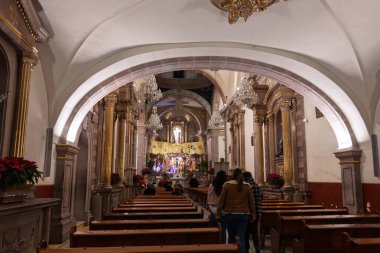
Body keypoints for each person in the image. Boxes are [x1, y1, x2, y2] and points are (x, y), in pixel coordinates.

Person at [217, 168, 256, 253]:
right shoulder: (247, 186)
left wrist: (218, 213)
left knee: (231, 237)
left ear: (232, 175)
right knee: (240, 236)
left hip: (230, 214)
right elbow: (251, 202)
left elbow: (221, 201)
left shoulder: (227, 185)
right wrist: (253, 214)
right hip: (244, 214)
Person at [243, 171, 263, 253]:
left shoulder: (247, 187)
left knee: (246, 233)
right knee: (255, 233)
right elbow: (261, 197)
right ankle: (258, 249)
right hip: (258, 212)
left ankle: (246, 249)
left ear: (246, 178)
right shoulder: (257, 186)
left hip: (249, 213)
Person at [207, 170, 228, 243]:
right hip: (223, 210)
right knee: (223, 229)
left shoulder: (211, 185)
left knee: (214, 229)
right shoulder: (226, 186)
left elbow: (209, 199)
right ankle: (222, 245)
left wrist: (210, 206)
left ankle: (214, 245)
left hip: (213, 209)